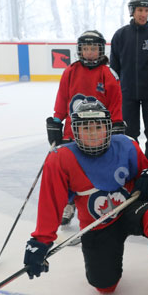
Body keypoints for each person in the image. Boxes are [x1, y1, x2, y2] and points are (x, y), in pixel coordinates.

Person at [23, 100, 148, 295]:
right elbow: (51, 203)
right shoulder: (60, 158)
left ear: (108, 128)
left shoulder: (127, 145)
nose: (92, 134)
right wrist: (41, 241)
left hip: (132, 209)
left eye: (98, 127)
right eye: (85, 128)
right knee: (104, 286)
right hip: (97, 224)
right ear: (75, 130)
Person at [47, 29, 124, 226]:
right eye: (86, 49)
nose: (89, 53)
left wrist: (116, 125)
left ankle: (96, 205)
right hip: (72, 132)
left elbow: (115, 102)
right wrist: (57, 120)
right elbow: (63, 98)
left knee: (94, 170)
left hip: (99, 134)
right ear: (80, 50)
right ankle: (69, 203)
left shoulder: (107, 73)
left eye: (93, 49)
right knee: (69, 170)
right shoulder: (70, 72)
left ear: (100, 50)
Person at [110, 0, 148, 164]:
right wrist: (113, 92)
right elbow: (114, 69)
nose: (143, 14)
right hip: (127, 94)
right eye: (139, 10)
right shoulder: (120, 35)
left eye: (146, 11)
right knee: (130, 132)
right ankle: (133, 163)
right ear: (132, 11)